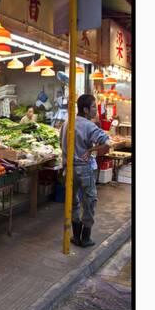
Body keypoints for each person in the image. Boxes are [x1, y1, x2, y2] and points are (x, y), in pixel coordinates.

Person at [61, 94, 111, 248]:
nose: (96, 110)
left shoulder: (67, 123)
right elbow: (107, 143)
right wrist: (91, 149)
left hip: (68, 169)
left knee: (73, 202)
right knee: (89, 201)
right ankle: (85, 237)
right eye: (94, 107)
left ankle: (75, 236)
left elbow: (60, 145)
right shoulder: (90, 126)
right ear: (85, 109)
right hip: (84, 170)